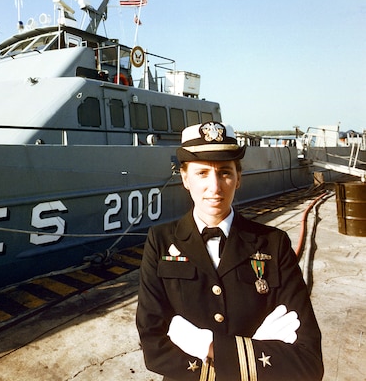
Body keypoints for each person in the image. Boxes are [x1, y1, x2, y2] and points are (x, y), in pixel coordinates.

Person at [136, 121, 323, 380]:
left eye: (225, 172)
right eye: (202, 173)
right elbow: (153, 346)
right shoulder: (160, 241)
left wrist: (209, 347)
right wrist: (254, 354)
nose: (215, 187)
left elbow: (309, 361)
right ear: (185, 178)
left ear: (238, 178)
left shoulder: (274, 244)